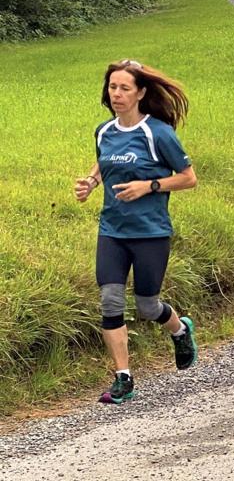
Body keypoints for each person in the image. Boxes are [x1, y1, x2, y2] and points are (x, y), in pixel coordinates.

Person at [74, 59, 198, 404]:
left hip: (150, 232)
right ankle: (123, 378)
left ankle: (180, 329)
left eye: (124, 88)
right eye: (113, 87)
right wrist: (90, 182)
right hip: (112, 230)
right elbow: (104, 160)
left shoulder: (158, 132)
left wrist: (150, 186)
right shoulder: (104, 131)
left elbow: (189, 177)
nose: (117, 94)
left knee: (147, 305)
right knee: (110, 300)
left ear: (141, 92)